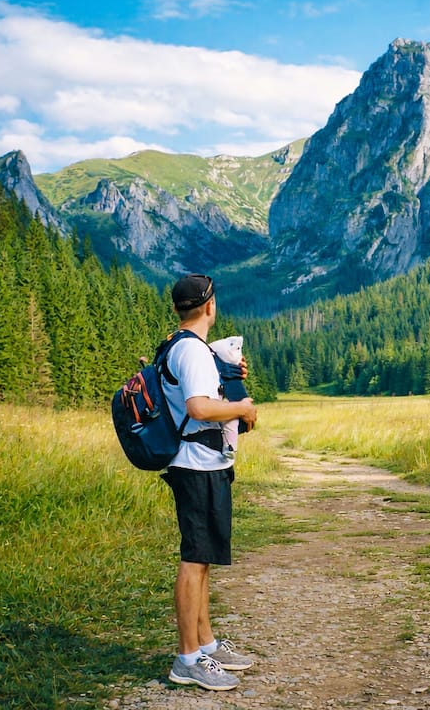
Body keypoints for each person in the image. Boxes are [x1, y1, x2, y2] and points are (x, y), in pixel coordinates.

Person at [160, 273, 259, 691]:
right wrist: (241, 407)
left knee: (201, 560)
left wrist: (227, 373)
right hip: (196, 465)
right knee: (193, 560)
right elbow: (199, 407)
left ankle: (206, 645)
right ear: (210, 306)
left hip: (201, 464)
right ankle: (187, 659)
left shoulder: (181, 346)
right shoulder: (193, 353)